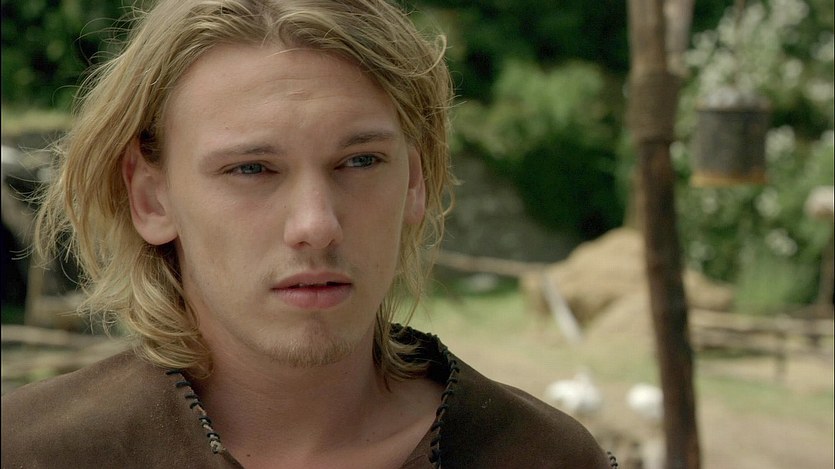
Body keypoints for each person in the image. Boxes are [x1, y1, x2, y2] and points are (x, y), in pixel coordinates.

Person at [1, 1, 616, 467]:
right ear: (151, 197)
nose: (316, 225)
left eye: (360, 161)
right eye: (251, 169)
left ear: (416, 180)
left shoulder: (541, 455)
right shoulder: (33, 452)